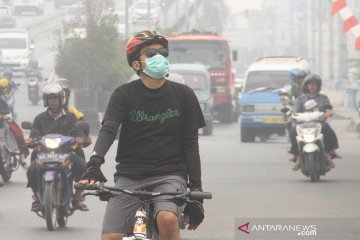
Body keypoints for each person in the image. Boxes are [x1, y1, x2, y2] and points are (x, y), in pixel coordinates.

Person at [79, 30, 206, 240]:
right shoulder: (123, 94)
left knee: (167, 219)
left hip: (170, 176)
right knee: (110, 237)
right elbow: (108, 130)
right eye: (150, 53)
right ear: (135, 64)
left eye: (162, 52)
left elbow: (191, 145)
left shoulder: (184, 95)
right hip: (129, 177)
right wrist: (94, 162)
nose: (158, 57)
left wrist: (196, 194)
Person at [26, 82, 89, 212]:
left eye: (56, 99)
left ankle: (78, 196)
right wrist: (31, 139)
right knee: (31, 170)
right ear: (46, 101)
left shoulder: (70, 117)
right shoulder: (40, 118)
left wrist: (80, 137)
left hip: (66, 153)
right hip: (44, 154)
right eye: (50, 99)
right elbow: (34, 132)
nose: (53, 102)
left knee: (83, 166)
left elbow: (77, 130)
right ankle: (37, 198)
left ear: (61, 100)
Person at [290, 74, 340, 171]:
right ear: (306, 86)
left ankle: (330, 152)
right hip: (303, 124)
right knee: (293, 131)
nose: (312, 86)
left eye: (314, 84)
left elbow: (328, 109)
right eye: (310, 84)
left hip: (318, 123)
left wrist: (328, 113)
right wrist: (292, 117)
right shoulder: (301, 99)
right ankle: (297, 156)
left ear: (318, 86)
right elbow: (295, 112)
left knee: (327, 129)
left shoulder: (323, 98)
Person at [54, 78, 91, 160]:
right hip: (49, 149)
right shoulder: (44, 115)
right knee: (35, 157)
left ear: (66, 96)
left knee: (80, 158)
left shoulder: (72, 111)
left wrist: (83, 137)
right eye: (55, 96)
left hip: (71, 147)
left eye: (62, 95)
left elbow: (82, 123)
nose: (58, 99)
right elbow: (37, 129)